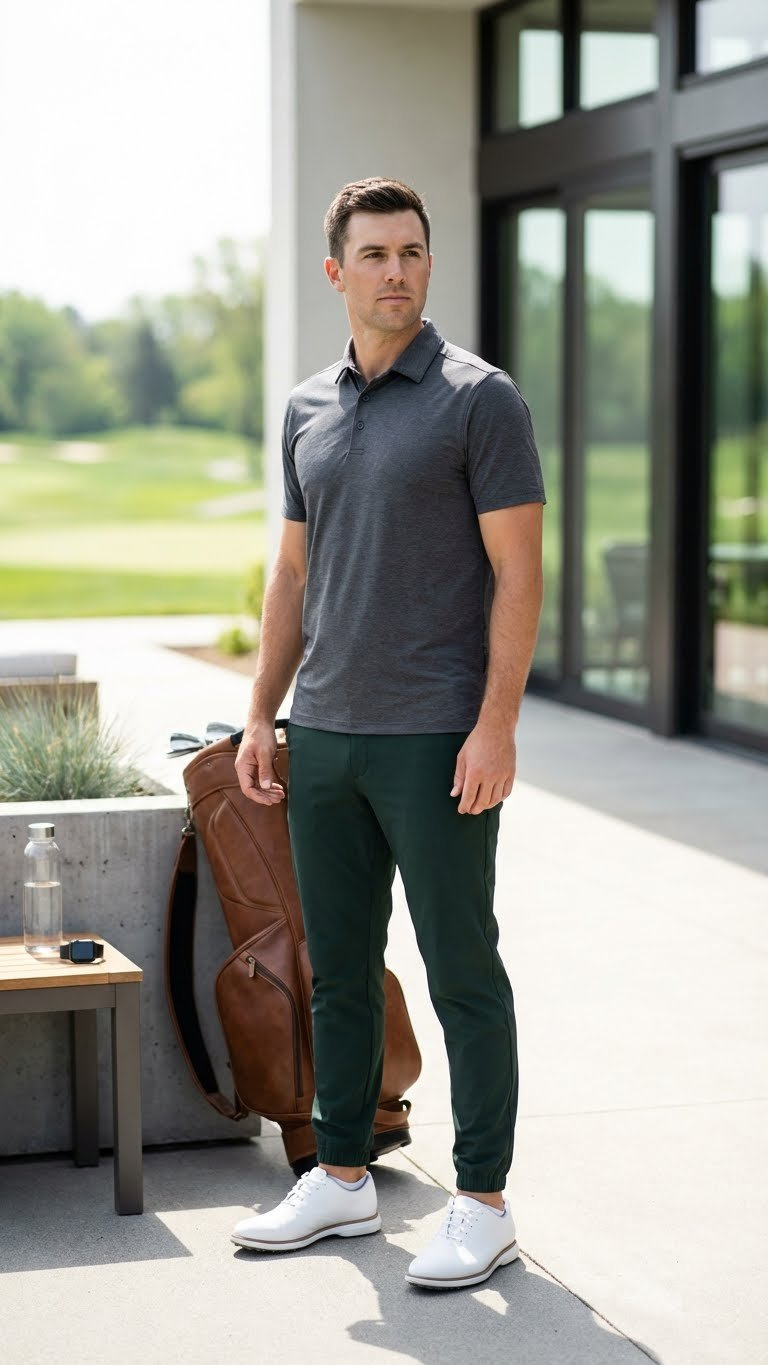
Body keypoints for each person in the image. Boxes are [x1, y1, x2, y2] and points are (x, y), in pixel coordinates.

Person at [231, 177, 545, 1290]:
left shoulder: (480, 399)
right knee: (339, 973)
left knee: (464, 970)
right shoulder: (307, 407)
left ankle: (485, 1199)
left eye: (412, 252)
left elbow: (519, 574)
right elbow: (292, 572)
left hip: (434, 740)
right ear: (337, 272)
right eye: (374, 255)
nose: (398, 272)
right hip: (325, 734)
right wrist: (263, 712)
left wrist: (494, 726)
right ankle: (346, 1178)